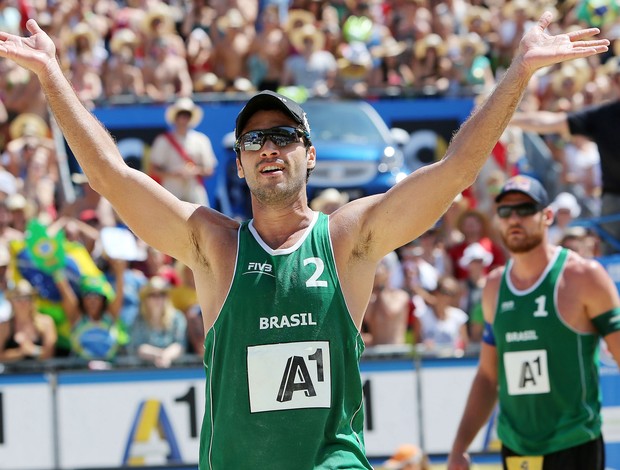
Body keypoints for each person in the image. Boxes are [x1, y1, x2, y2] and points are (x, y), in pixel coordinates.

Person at [0, 15, 608, 469]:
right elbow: (109, 175)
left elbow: (455, 170)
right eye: (254, 141)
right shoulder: (214, 244)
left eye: (284, 135)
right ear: (238, 165)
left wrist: (520, 69)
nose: (269, 148)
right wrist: (52, 75)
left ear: (310, 155)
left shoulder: (347, 238)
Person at [447, 175, 620, 470]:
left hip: (574, 443)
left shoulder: (583, 276)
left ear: (547, 216)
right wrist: (460, 447)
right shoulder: (494, 286)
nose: (515, 218)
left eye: (525, 209)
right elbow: (489, 378)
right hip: (517, 448)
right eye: (505, 211)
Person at [509, 57, 620, 254]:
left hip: (610, 202)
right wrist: (504, 119)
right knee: (612, 263)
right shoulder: (603, 115)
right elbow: (550, 122)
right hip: (613, 201)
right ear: (615, 81)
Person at [149, 97, 218, 207]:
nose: (183, 119)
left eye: (187, 115)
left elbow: (210, 170)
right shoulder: (163, 140)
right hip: (171, 189)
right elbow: (153, 169)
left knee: (201, 222)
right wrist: (173, 173)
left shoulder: (201, 140)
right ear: (175, 118)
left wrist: (195, 171)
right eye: (180, 115)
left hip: (194, 188)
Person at [128, 276, 186, 368]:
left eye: (162, 294)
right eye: (153, 295)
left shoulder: (177, 318)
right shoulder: (138, 319)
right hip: (144, 370)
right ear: (145, 299)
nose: (158, 298)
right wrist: (160, 355)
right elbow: (137, 347)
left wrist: (166, 357)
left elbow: (179, 345)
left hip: (175, 370)